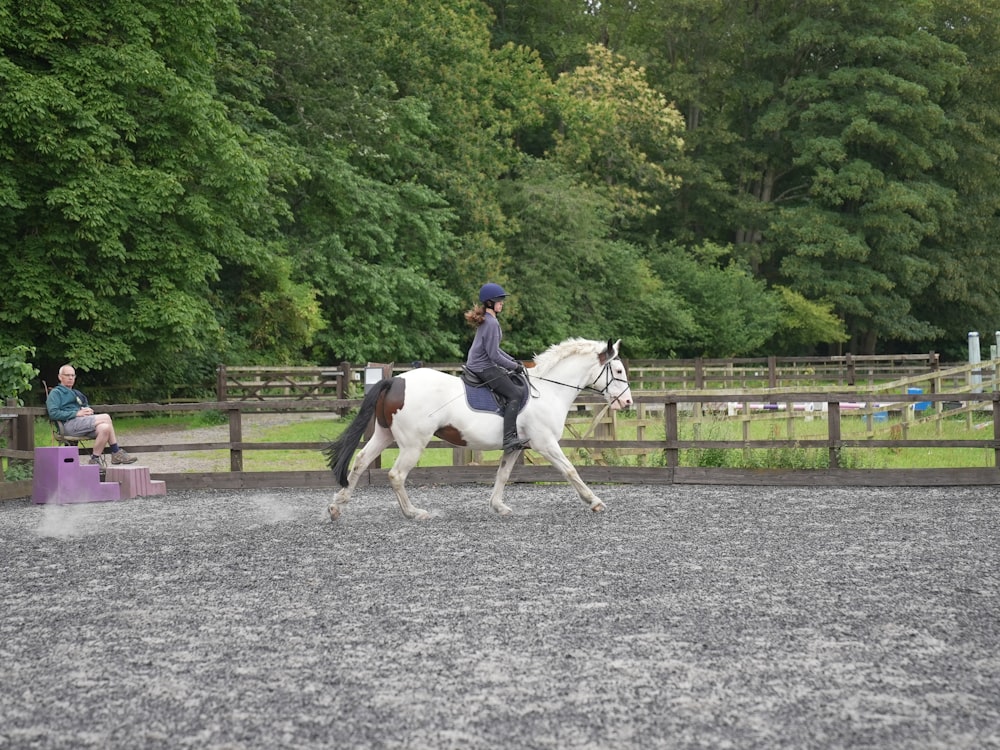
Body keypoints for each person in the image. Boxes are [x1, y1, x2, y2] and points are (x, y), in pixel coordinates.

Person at [465, 283, 529, 453]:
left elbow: (496, 350)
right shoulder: (491, 323)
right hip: (483, 366)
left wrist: (513, 361)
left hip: (480, 363)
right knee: (515, 393)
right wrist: (514, 367)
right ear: (490, 303)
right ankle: (508, 438)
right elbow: (493, 355)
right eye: (499, 300)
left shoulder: (489, 320)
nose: (502, 303)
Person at [46, 365, 137, 467]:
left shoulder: (77, 393)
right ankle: (116, 452)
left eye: (72, 375)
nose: (70, 378)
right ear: (60, 377)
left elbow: (85, 406)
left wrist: (87, 410)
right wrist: (76, 413)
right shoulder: (56, 393)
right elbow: (53, 413)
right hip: (67, 425)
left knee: (105, 428)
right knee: (106, 417)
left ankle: (94, 460)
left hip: (82, 424)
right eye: (67, 375)